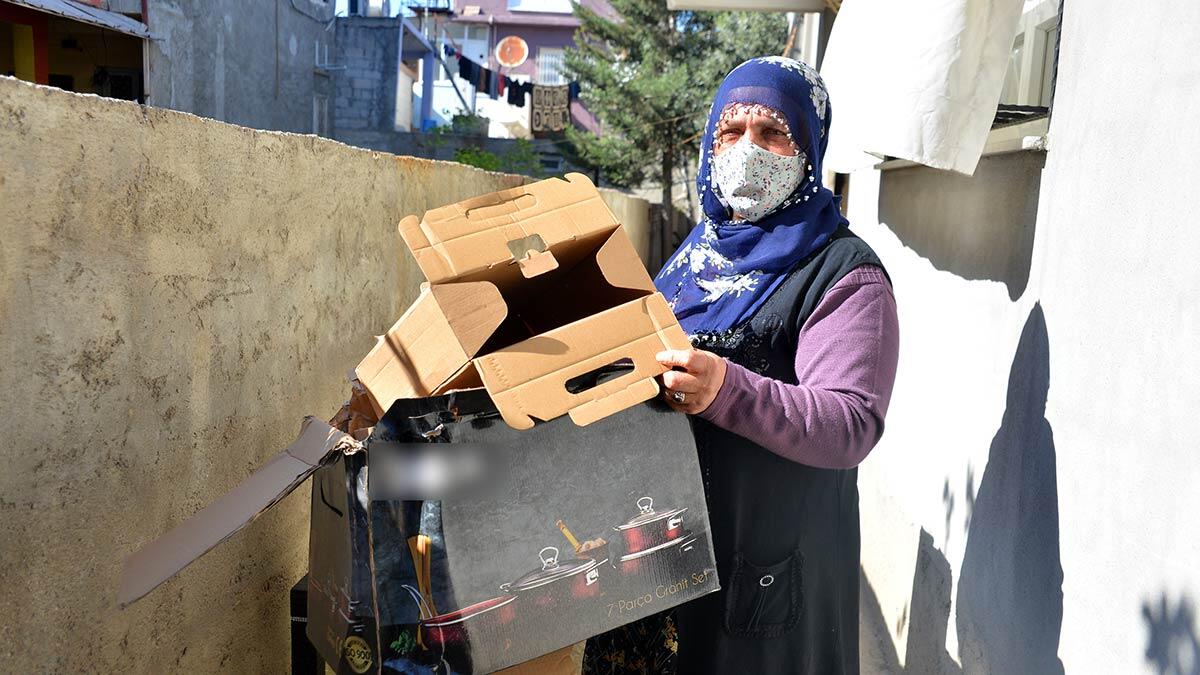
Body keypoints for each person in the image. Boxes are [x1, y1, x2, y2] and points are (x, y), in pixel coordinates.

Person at [601, 56, 900, 674]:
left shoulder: (843, 272)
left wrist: (726, 389)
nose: (747, 150)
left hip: (765, 571)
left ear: (810, 150)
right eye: (731, 132)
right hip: (667, 562)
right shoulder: (694, 257)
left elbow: (850, 422)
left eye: (773, 133)